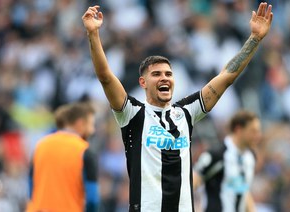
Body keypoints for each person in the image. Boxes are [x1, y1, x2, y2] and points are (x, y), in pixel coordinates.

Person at [82, 2, 273, 211]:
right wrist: (93, 34)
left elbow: (227, 76)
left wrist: (254, 39)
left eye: (168, 74)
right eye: (156, 74)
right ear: (143, 83)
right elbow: (106, 78)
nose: (164, 78)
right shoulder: (133, 114)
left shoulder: (186, 113)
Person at [26, 102, 99, 212]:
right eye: (91, 125)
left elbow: (31, 187)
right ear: (80, 123)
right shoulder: (84, 151)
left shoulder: (40, 145)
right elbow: (92, 199)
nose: (93, 130)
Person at [194, 110, 262, 212]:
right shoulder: (216, 155)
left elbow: (244, 190)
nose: (258, 136)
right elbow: (191, 183)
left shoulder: (250, 157)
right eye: (253, 131)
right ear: (239, 130)